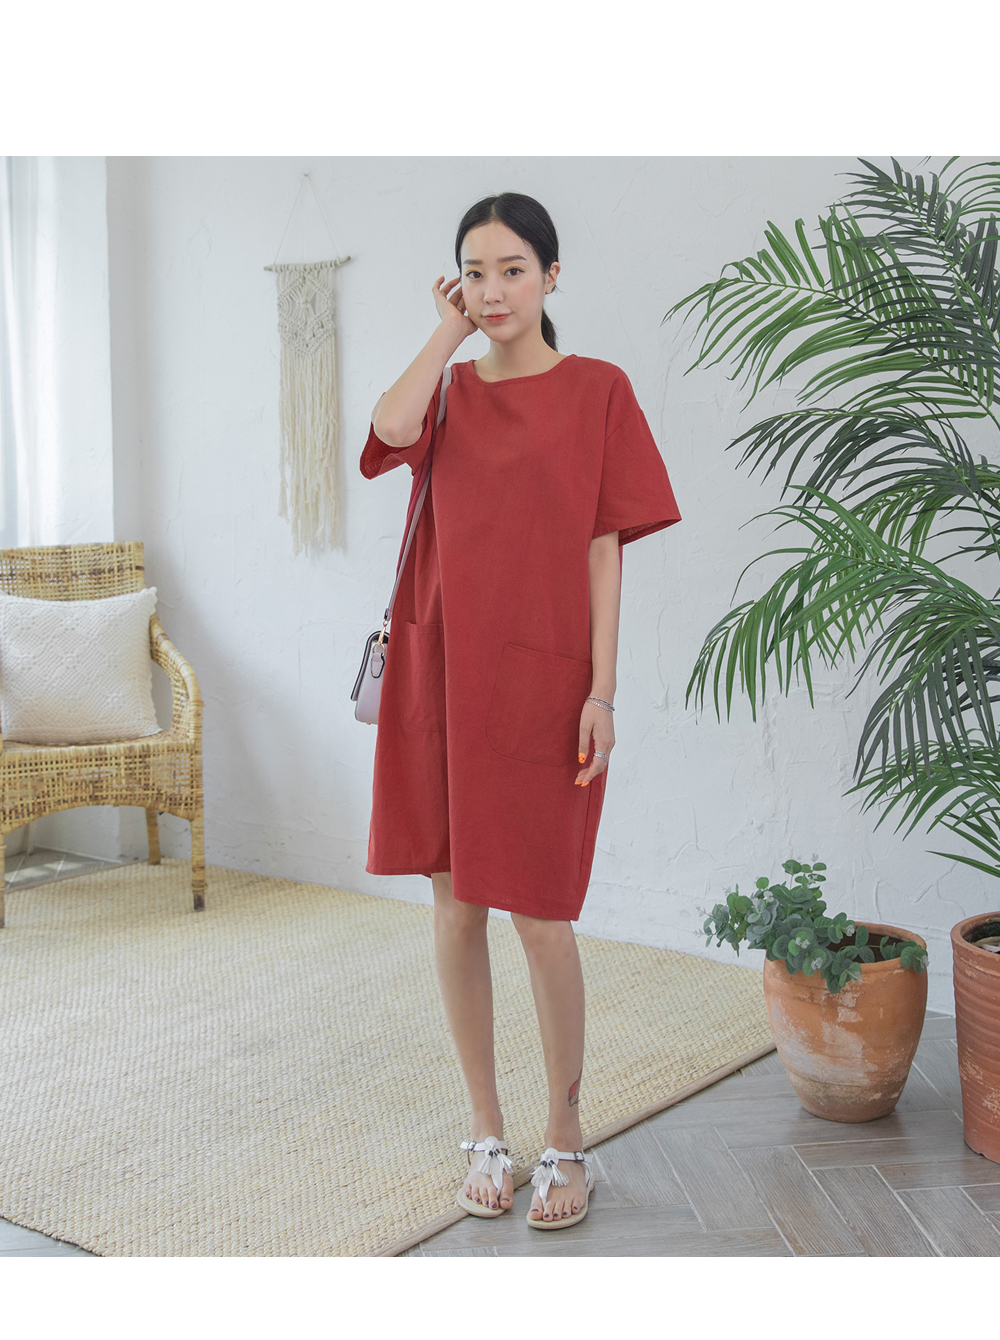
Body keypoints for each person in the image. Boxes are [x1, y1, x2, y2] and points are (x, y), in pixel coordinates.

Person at [360, 192, 681, 1229]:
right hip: (442, 674)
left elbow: (603, 549)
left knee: (542, 916)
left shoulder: (598, 391)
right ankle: (486, 1129)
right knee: (456, 907)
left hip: (544, 680)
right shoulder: (448, 390)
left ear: (551, 275)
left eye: (511, 269)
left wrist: (601, 689)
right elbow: (388, 428)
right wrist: (446, 332)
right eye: (474, 271)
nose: (493, 290)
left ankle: (566, 1133)